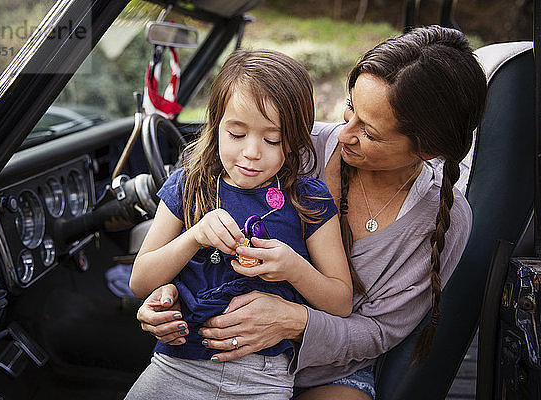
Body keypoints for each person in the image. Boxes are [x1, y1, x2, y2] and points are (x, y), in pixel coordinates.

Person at [135, 25, 488, 400]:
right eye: (349, 107)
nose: (343, 133)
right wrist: (163, 297)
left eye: (368, 132)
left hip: (325, 368)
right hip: (196, 357)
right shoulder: (292, 145)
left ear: (426, 149)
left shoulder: (439, 219)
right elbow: (162, 268)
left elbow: (376, 331)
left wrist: (293, 321)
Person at [125, 49, 353, 400]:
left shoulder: (308, 198)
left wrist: (294, 268)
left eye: (272, 139)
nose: (251, 152)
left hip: (264, 378)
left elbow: (340, 301)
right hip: (178, 366)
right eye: (236, 133)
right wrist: (195, 235)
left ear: (293, 141)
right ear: (216, 126)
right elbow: (140, 281)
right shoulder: (189, 186)